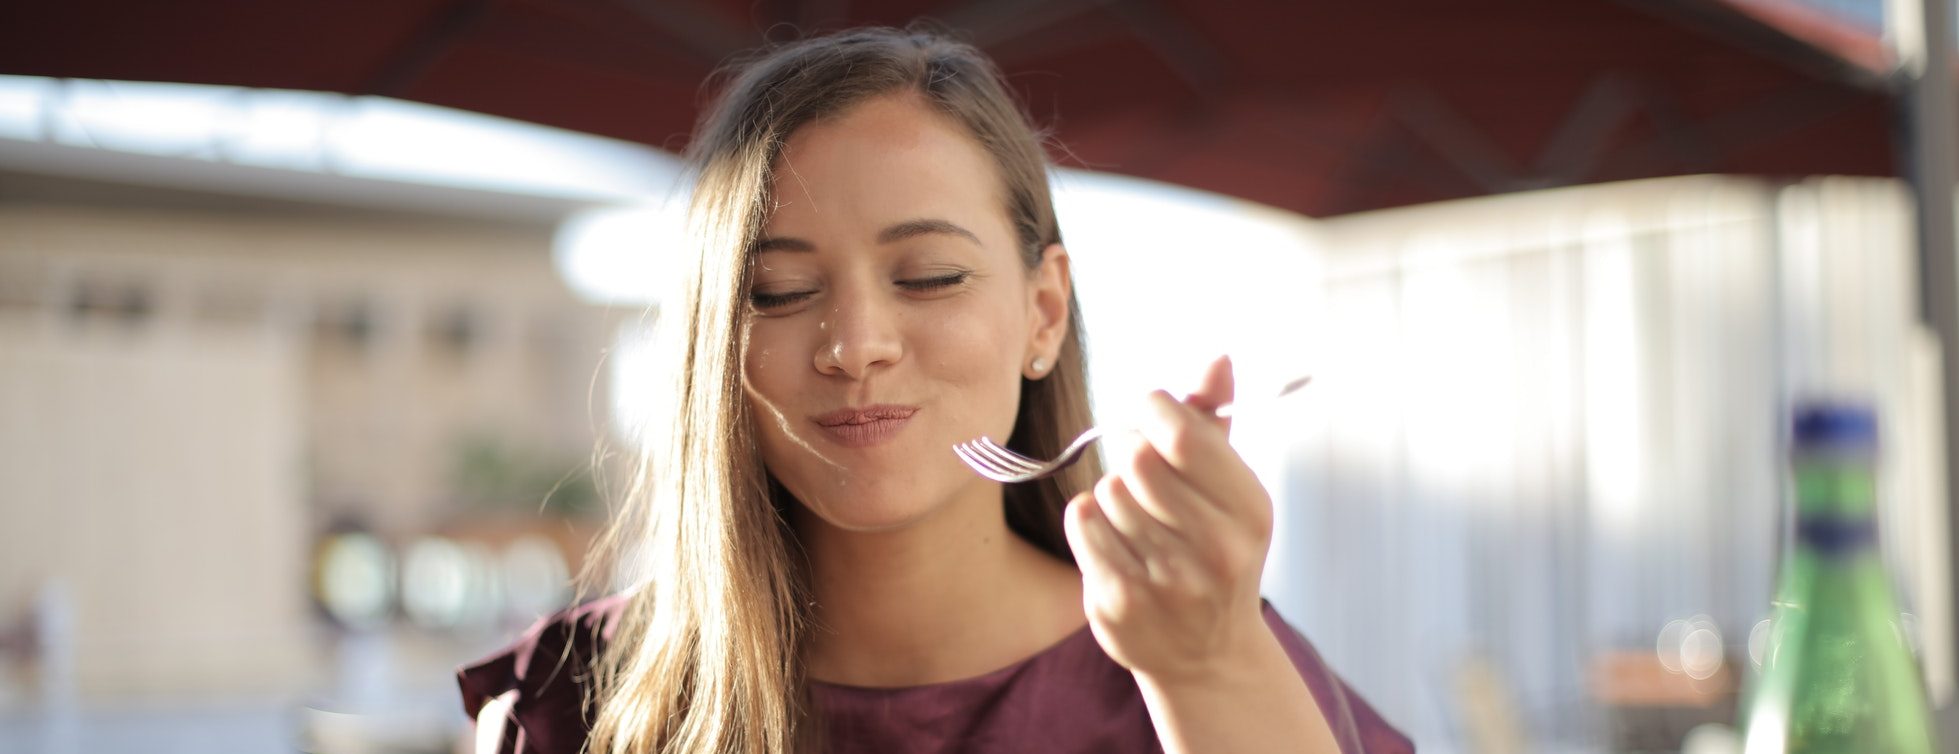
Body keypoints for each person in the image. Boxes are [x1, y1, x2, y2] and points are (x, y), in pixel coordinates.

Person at [457, 25, 1411, 754]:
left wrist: (1210, 672)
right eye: (779, 292)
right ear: (714, 345)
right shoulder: (577, 702)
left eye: (928, 277)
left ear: (1043, 315)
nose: (856, 346)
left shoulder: (1205, 653)